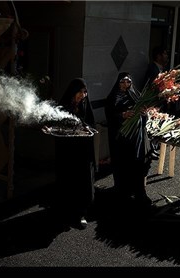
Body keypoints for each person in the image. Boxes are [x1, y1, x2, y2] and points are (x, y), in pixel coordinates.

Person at [104, 72, 153, 209]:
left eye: (128, 82)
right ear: (118, 83)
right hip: (121, 138)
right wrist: (122, 115)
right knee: (122, 164)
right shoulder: (113, 97)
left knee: (137, 164)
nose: (126, 85)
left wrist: (144, 114)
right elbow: (109, 115)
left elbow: (144, 115)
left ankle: (139, 192)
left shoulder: (135, 95)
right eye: (123, 82)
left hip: (135, 138)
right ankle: (122, 191)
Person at [53, 78, 96, 229]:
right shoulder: (63, 106)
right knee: (67, 181)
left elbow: (91, 124)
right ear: (73, 91)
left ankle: (80, 214)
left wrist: (86, 128)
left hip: (82, 152)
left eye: (85, 92)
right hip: (68, 152)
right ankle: (65, 213)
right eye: (80, 92)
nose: (83, 95)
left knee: (82, 182)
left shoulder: (85, 105)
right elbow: (56, 125)